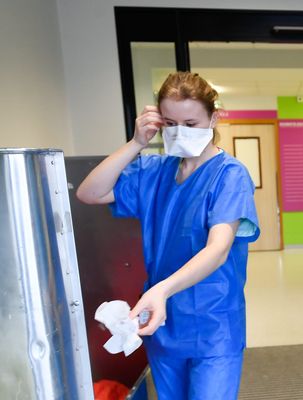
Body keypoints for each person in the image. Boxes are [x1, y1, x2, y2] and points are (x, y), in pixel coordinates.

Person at [77, 72, 260, 400]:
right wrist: (136, 143)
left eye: (190, 123)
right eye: (171, 123)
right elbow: (89, 193)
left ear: (214, 117)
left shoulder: (230, 176)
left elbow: (217, 250)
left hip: (213, 324)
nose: (180, 132)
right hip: (163, 324)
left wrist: (161, 290)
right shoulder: (153, 171)